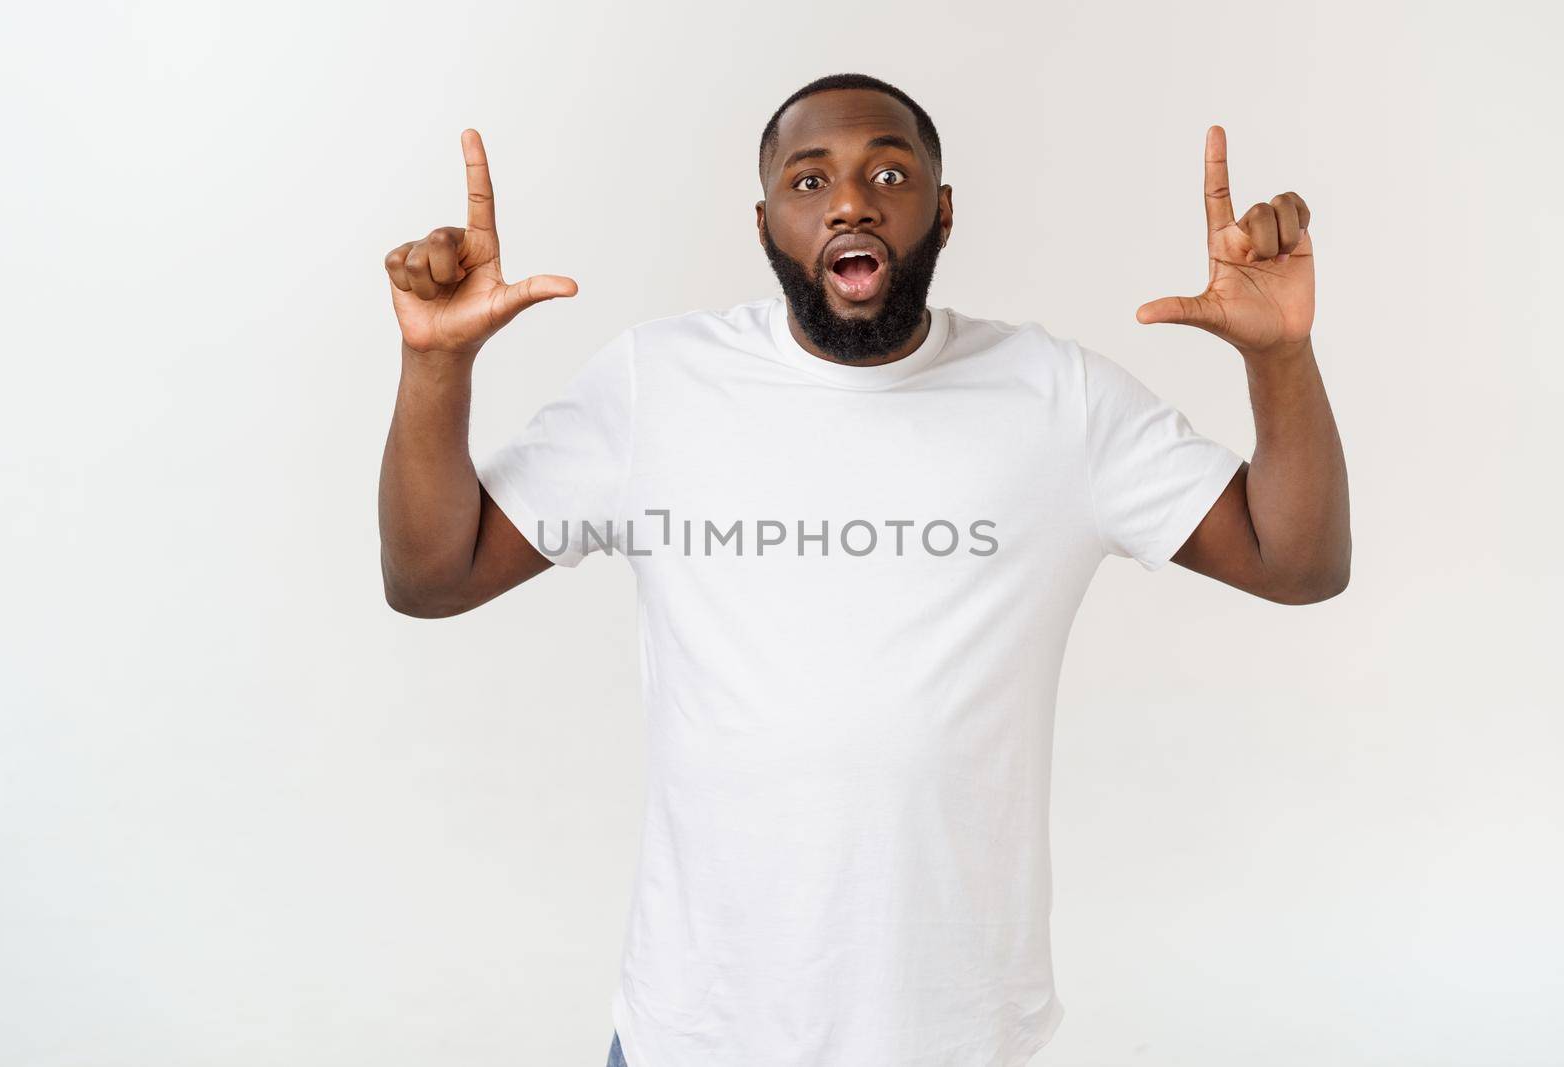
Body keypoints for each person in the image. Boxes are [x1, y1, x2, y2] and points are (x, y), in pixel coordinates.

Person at [377, 72, 1350, 1067]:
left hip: (954, 1036)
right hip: (697, 1034)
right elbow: (432, 576)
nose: (851, 200)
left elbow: (1297, 561)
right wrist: (436, 366)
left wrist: (1279, 357)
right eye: (809, 182)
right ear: (763, 223)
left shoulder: (1058, 398)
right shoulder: (654, 385)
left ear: (943, 210)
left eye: (890, 171)